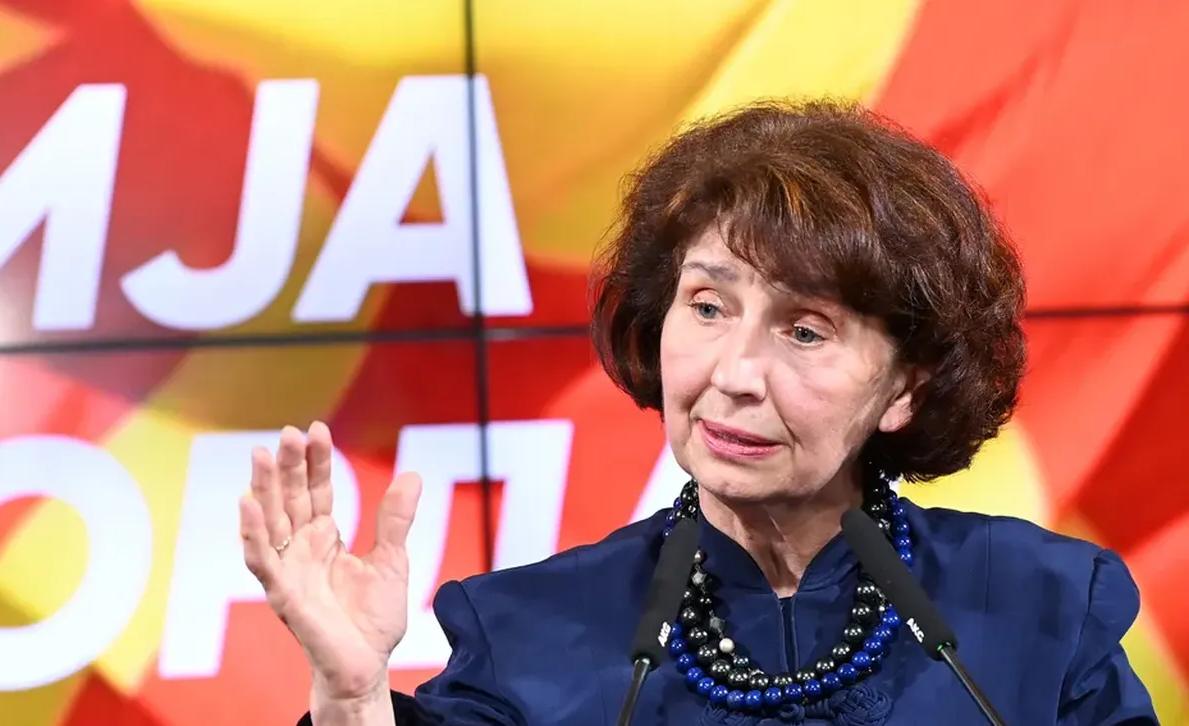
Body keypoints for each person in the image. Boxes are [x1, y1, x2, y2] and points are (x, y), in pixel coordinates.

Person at [239, 101, 1159, 726]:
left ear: (905, 388)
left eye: (805, 331)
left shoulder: (1039, 607)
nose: (735, 373)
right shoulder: (526, 635)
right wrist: (351, 696)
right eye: (709, 307)